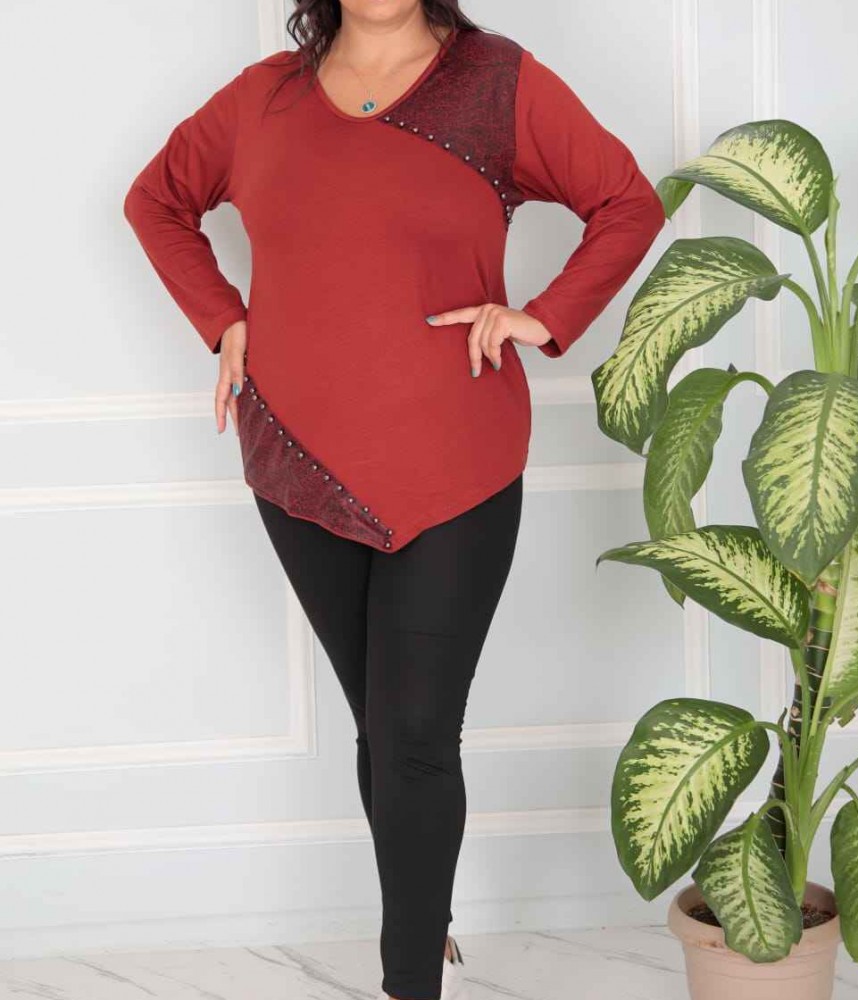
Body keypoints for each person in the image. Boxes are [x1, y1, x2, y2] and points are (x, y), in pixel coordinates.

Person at [122, 1, 666, 997]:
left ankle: (407, 978)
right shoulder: (261, 99)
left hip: (457, 457)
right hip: (297, 464)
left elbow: (627, 201)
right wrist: (223, 318)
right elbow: (155, 200)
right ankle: (426, 919)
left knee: (414, 733)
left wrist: (543, 317)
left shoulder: (494, 82)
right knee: (384, 726)